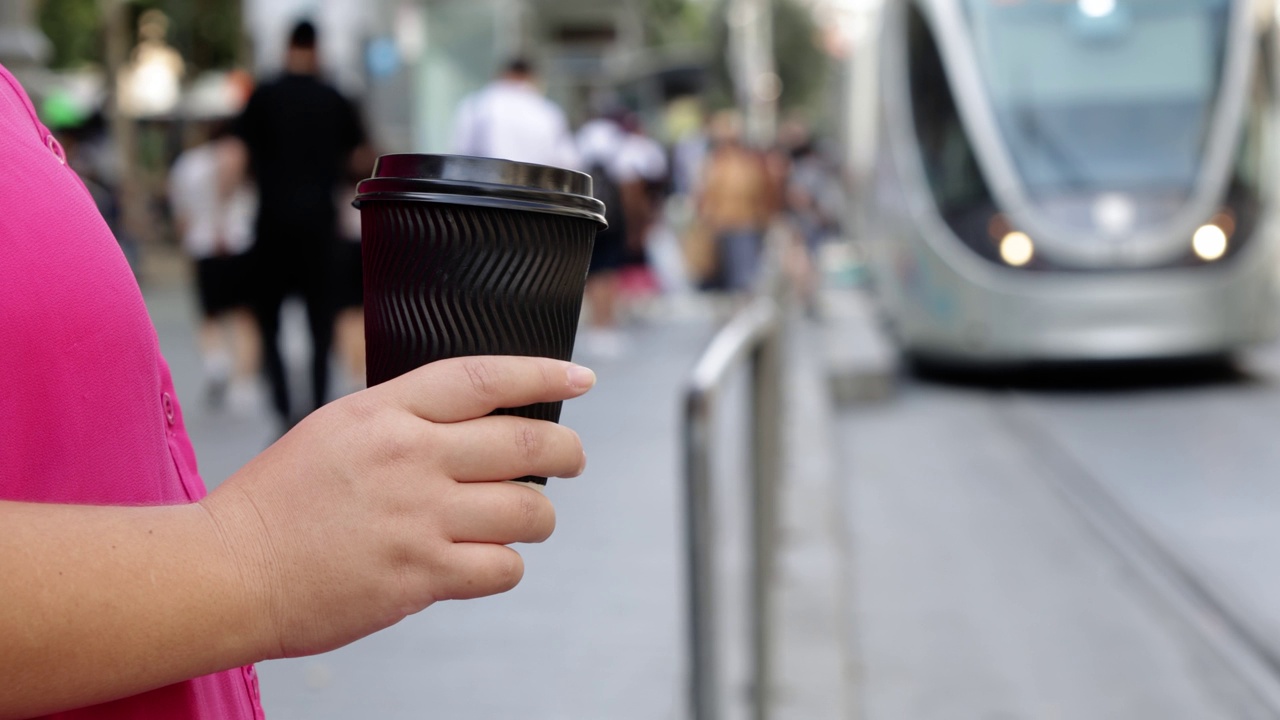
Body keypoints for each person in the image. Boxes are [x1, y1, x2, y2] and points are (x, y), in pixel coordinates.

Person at [0, 60, 593, 720]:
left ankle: (295, 408)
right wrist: (258, 553)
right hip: (312, 228)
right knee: (310, 325)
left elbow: (240, 157)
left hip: (279, 229)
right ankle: (304, 406)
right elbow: (352, 153)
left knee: (284, 323)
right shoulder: (334, 99)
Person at [228, 20, 368, 430]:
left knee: (268, 321)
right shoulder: (336, 97)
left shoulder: (264, 95)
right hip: (321, 228)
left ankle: (284, 407)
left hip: (271, 225)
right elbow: (360, 159)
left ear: (287, 47)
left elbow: (237, 157)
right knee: (320, 322)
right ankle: (318, 408)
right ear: (318, 48)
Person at [169, 120, 261, 412]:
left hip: (201, 245)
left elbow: (181, 215)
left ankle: (216, 361)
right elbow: (228, 176)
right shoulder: (234, 153)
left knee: (209, 313)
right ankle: (243, 383)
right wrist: (221, 224)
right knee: (245, 316)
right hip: (235, 242)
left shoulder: (187, 164)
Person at [696, 110, 776, 293]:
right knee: (720, 282)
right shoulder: (713, 163)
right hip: (718, 226)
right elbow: (703, 195)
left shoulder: (750, 163)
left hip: (744, 225)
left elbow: (764, 193)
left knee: (743, 280)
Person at [451, 58, 580, 169]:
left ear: (502, 74)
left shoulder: (477, 104)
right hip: (534, 193)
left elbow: (460, 154)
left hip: (486, 191)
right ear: (532, 77)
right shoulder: (549, 112)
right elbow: (568, 161)